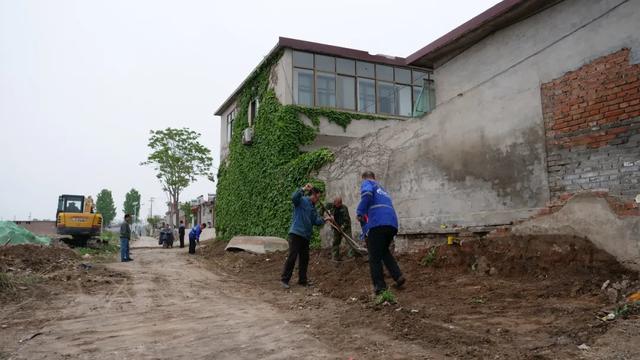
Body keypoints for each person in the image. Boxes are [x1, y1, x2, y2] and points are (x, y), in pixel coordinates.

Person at [356, 171, 405, 295]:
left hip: (379, 224)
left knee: (374, 256)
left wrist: (360, 211)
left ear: (365, 179)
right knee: (384, 251)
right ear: (375, 177)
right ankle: (398, 276)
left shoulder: (368, 183)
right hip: (392, 224)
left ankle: (380, 286)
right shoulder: (382, 189)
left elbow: (366, 194)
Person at [280, 183, 327, 289]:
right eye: (317, 197)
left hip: (306, 236)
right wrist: (303, 188)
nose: (318, 200)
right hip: (296, 233)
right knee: (292, 256)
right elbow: (294, 198)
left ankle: (302, 280)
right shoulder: (301, 201)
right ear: (313, 195)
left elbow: (316, 221)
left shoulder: (313, 208)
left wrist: (325, 219)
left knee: (304, 259)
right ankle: (285, 279)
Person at [323, 196, 354, 261]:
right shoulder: (331, 206)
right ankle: (335, 257)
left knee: (349, 241)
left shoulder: (344, 208)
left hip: (345, 227)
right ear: (334, 203)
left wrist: (342, 228)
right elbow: (323, 207)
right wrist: (321, 215)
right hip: (336, 226)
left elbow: (347, 220)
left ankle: (351, 255)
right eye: (337, 203)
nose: (338, 205)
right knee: (336, 241)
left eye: (340, 203)